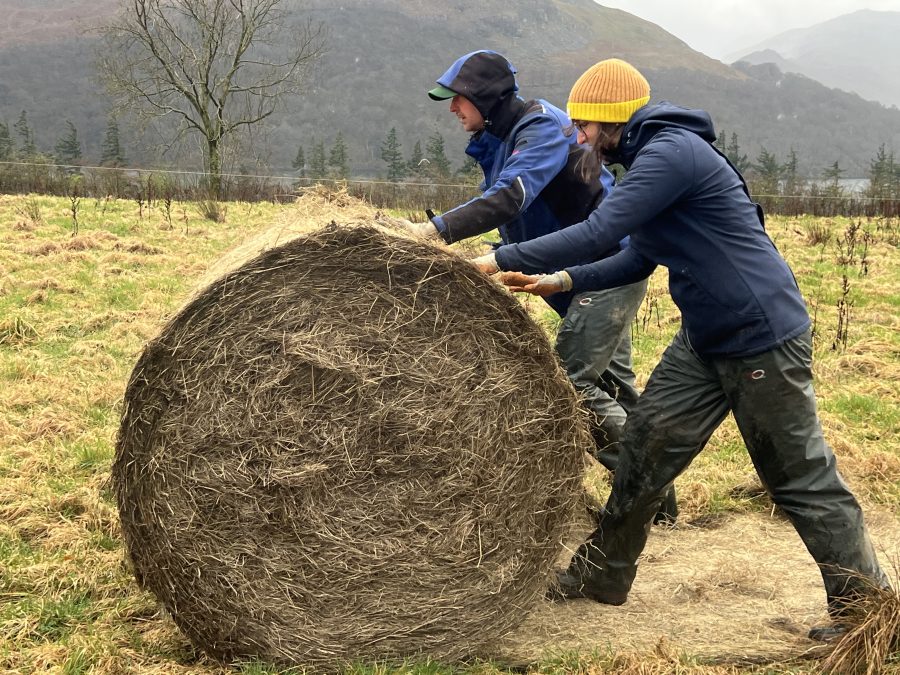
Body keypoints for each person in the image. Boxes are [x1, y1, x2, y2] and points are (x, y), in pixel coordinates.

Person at [471, 58, 889, 641]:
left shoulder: (671, 154)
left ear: (614, 118)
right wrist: (559, 282)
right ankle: (602, 575)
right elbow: (638, 254)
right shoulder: (648, 158)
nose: (580, 137)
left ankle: (867, 612)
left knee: (799, 477)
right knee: (644, 448)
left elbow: (598, 230)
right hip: (705, 339)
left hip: (760, 336)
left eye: (586, 125)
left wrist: (501, 258)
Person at [406, 50, 676, 522]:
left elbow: (511, 197)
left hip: (602, 269)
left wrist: (431, 233)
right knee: (613, 385)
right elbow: (515, 209)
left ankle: (643, 493)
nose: (452, 109)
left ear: (484, 97)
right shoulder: (503, 136)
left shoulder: (541, 128)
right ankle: (660, 504)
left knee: (573, 389)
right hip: (580, 272)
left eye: (458, 99)